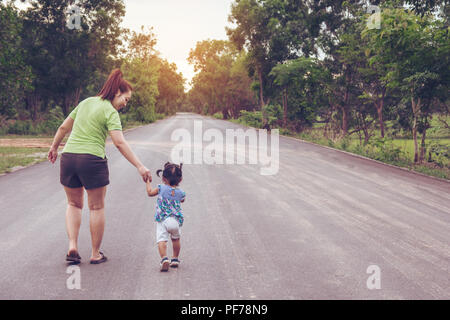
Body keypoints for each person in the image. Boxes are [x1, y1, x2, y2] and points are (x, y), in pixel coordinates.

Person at [48, 69, 151, 265]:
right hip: (91, 160)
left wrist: (54, 147)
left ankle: (72, 246)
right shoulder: (110, 111)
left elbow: (63, 127)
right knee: (96, 207)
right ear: (117, 92)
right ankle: (95, 254)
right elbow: (120, 143)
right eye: (126, 100)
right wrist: (139, 166)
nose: (125, 105)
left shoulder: (85, 102)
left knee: (73, 204)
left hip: (69, 158)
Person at [146, 162, 185, 271]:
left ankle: (164, 258)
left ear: (163, 178)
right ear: (180, 180)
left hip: (163, 219)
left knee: (162, 240)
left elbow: (149, 193)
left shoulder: (161, 188)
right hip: (176, 221)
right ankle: (175, 259)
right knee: (176, 239)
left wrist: (148, 182)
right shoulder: (181, 192)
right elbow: (182, 199)